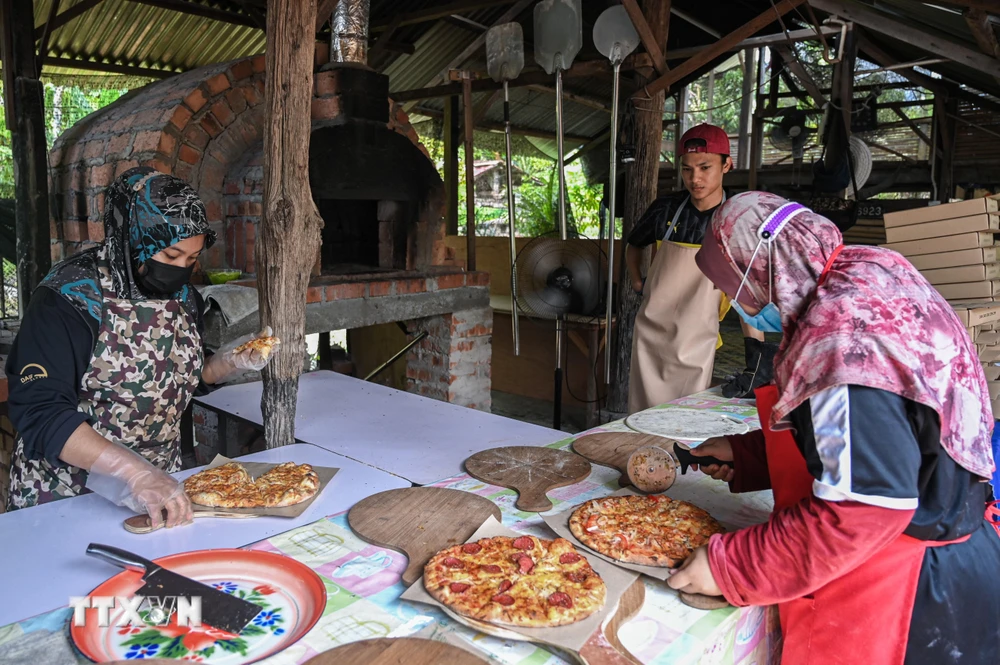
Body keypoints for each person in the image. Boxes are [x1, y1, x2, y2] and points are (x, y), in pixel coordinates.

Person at [669, 191, 1000, 664]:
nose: (735, 302)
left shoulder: (842, 338)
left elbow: (866, 507)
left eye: (733, 286)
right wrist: (750, 455)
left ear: (764, 267)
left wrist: (732, 568)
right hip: (963, 560)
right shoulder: (870, 273)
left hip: (906, 597)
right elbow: (886, 435)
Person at [5, 167, 278, 529]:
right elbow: (41, 411)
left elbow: (168, 385)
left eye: (192, 259)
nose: (181, 271)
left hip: (156, 497)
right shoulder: (70, 297)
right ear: (134, 238)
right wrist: (132, 472)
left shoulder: (182, 298)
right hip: (65, 498)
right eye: (171, 256)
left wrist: (225, 364)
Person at [625, 123, 776, 413]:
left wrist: (755, 356)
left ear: (727, 165)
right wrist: (636, 282)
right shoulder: (665, 209)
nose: (695, 178)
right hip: (650, 334)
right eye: (687, 169)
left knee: (684, 417)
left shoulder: (738, 221)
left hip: (697, 337)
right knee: (641, 416)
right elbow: (634, 245)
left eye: (705, 167)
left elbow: (744, 294)